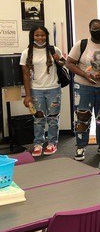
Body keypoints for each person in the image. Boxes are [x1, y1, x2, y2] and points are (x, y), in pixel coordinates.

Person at [66, 19, 100, 161]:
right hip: (83, 87)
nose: (98, 30)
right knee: (83, 116)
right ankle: (81, 146)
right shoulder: (82, 44)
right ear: (89, 29)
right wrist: (85, 75)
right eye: (94, 28)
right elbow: (69, 63)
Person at [20, 26, 65, 157]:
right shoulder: (26, 53)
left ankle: (52, 143)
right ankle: (38, 143)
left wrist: (58, 59)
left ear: (47, 36)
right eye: (37, 35)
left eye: (43, 35)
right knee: (38, 118)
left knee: (52, 118)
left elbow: (65, 63)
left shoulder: (53, 50)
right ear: (32, 36)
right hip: (36, 90)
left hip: (53, 89)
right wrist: (27, 95)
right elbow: (26, 75)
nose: (40, 38)